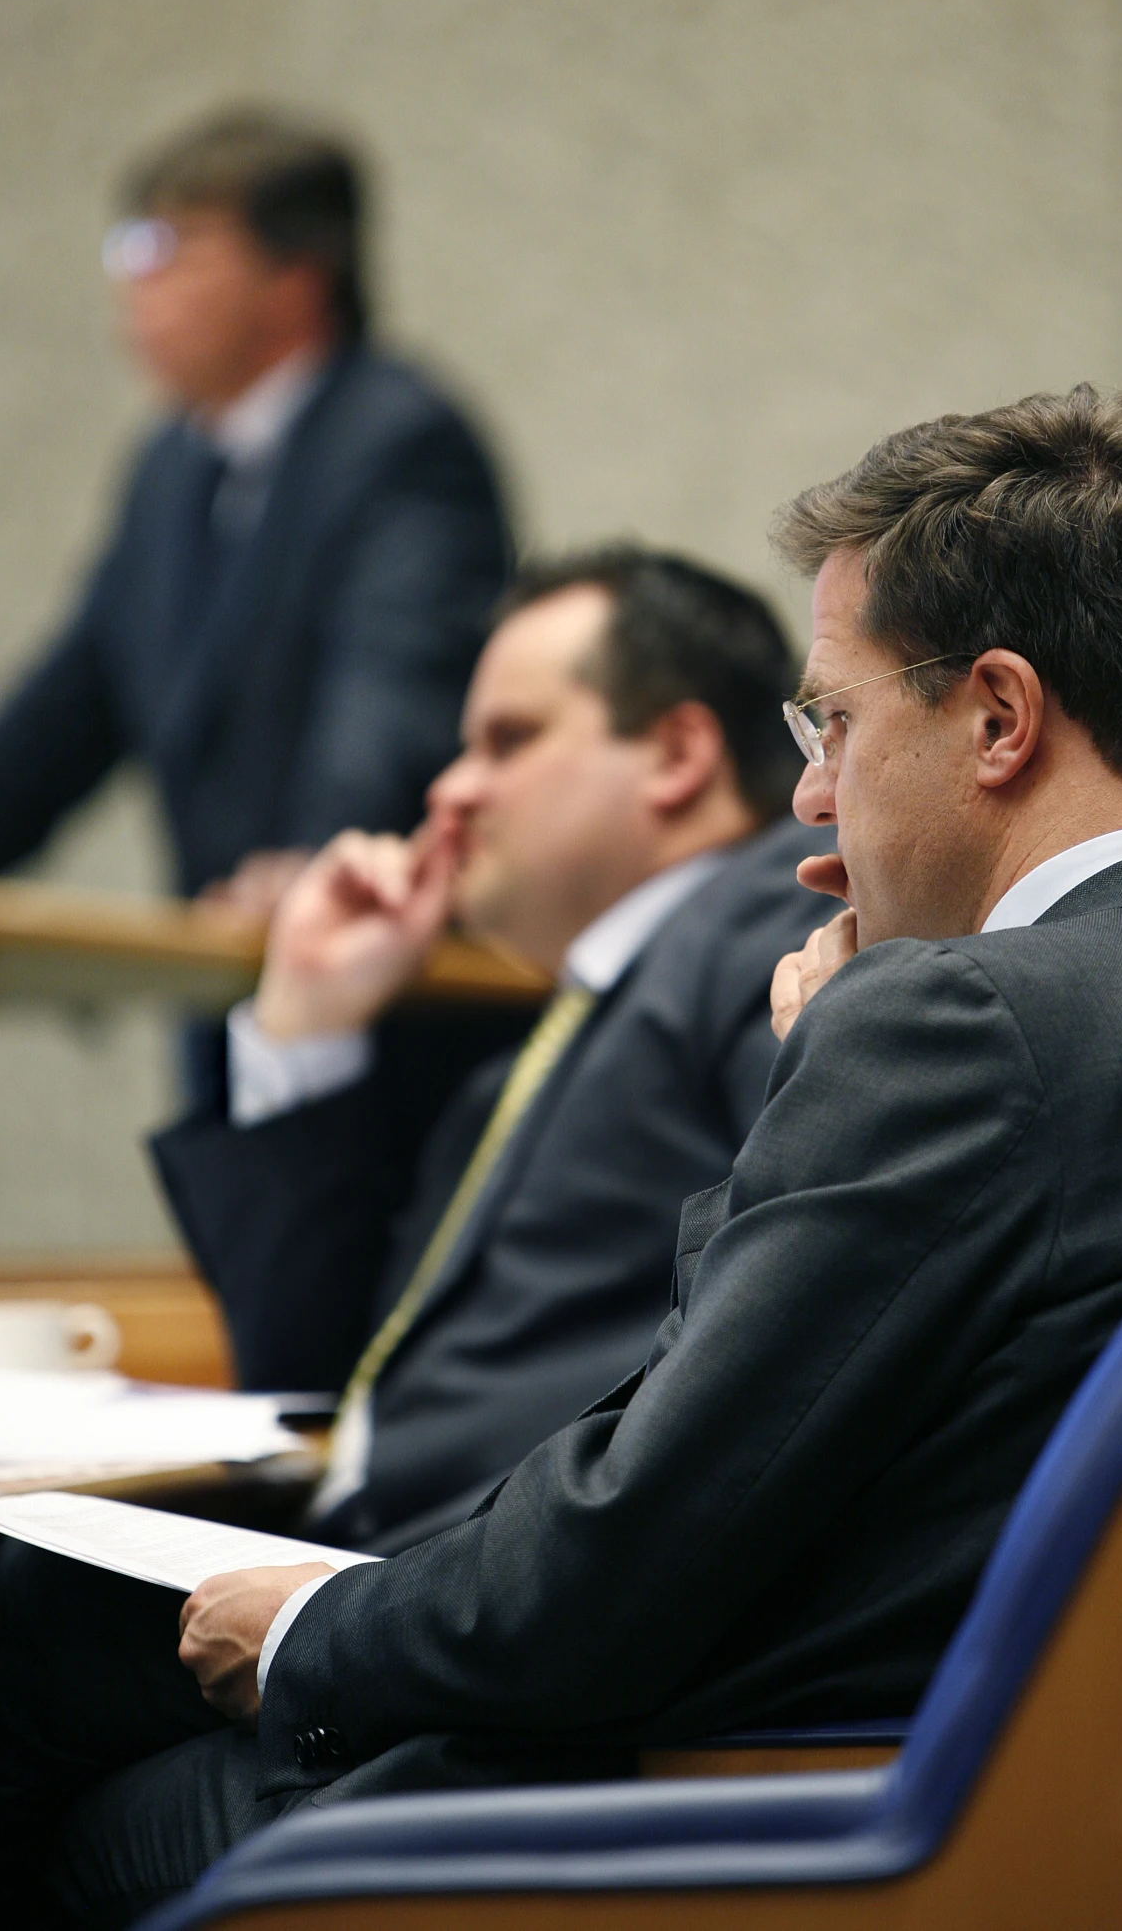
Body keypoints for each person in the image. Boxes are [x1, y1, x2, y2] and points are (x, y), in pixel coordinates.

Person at [0, 389, 1122, 1927]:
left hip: (723, 1810)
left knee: (29, 1794)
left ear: (999, 718)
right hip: (1048, 1815)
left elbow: (623, 1549)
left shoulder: (947, 1022)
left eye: (832, 719)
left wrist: (308, 1632)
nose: (809, 795)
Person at [149, 546, 835, 1553]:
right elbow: (313, 1377)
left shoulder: (777, 931)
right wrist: (309, 1024)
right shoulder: (567, 1024)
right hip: (380, 1552)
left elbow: (793, 1344)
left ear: (678, 753)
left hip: (491, 1595)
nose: (450, 789)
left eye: (507, 740)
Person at [0, 106, 513, 1137]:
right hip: (223, 990)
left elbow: (396, 686)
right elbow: (60, 714)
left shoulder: (400, 438)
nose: (133, 280)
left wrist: (317, 851)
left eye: (167, 246)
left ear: (295, 276)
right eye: (127, 245)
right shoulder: (172, 468)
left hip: (380, 1002)